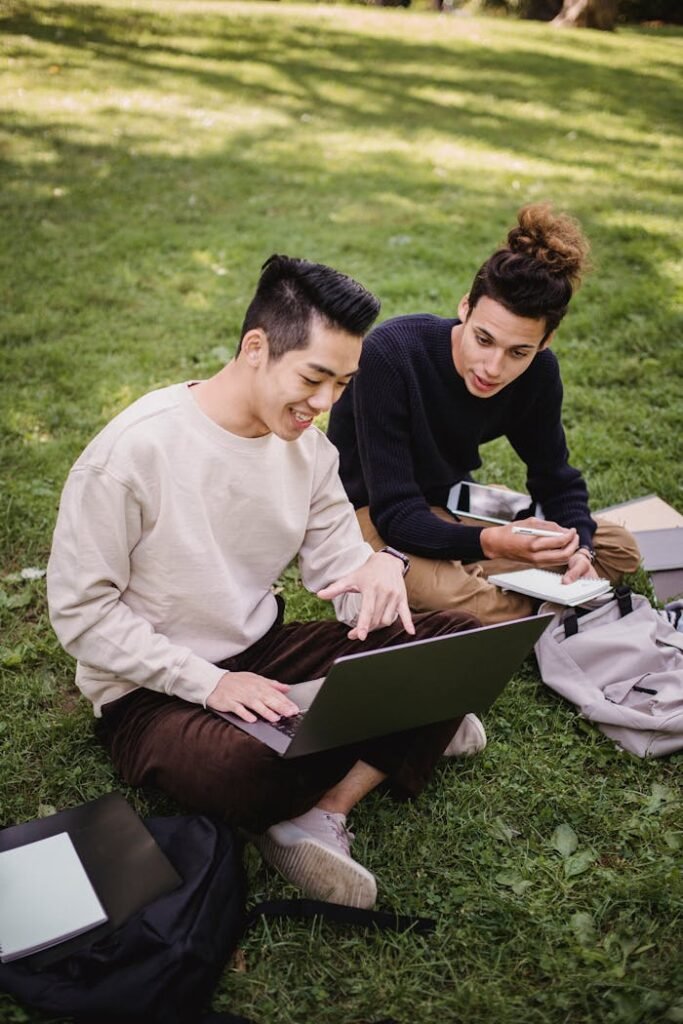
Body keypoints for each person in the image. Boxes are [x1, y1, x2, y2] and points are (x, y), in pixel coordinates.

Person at [47, 255, 481, 910]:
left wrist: (375, 567)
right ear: (256, 347)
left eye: (342, 383)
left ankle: (324, 810)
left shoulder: (308, 448)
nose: (325, 403)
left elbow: (336, 566)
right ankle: (407, 727)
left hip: (264, 655)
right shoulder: (134, 452)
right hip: (148, 693)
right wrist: (211, 684)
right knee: (241, 772)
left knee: (456, 643)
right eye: (313, 378)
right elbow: (80, 616)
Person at [327, 205, 641, 624]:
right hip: (370, 510)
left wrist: (581, 548)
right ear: (465, 308)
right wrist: (496, 543)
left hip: (454, 501)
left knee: (617, 546)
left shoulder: (539, 375)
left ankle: (503, 588)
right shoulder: (391, 355)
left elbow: (554, 477)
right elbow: (396, 512)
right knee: (442, 592)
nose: (493, 368)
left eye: (519, 352)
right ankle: (537, 603)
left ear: (546, 341)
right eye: (484, 339)